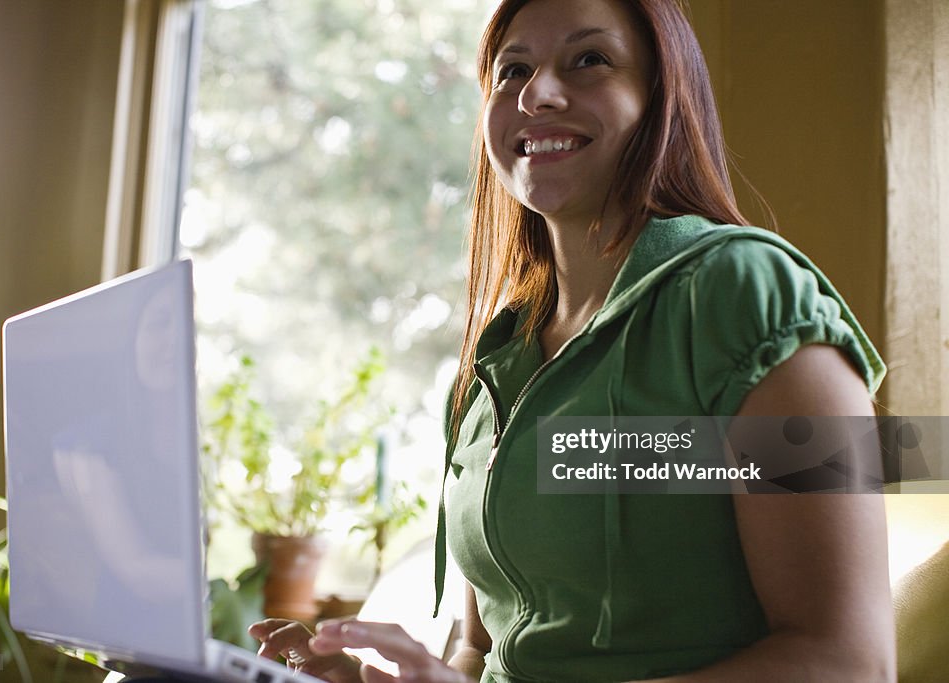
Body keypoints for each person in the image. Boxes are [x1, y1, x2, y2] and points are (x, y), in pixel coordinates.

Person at [249, 0, 896, 681]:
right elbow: (480, 651)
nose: (538, 93)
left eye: (590, 60)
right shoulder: (492, 366)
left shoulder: (748, 293)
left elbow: (847, 661)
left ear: (661, 99)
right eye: (513, 70)